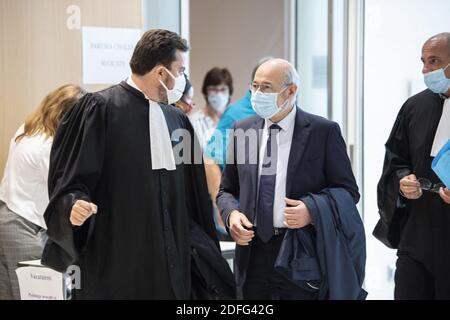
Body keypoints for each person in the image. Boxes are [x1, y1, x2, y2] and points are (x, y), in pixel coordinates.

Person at [41, 29, 219, 299]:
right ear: (161, 73)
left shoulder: (177, 120)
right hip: (119, 264)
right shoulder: (99, 109)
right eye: (180, 70)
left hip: (171, 266)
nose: (183, 78)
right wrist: (74, 204)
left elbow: (191, 200)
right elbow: (70, 181)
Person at [217, 59, 361, 300]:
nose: (258, 94)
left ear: (291, 91)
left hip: (300, 251)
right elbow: (226, 190)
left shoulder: (322, 131)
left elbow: (348, 192)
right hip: (252, 254)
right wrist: (231, 214)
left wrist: (312, 209)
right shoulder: (241, 129)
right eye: (255, 86)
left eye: (267, 87)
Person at [375, 32, 450, 300]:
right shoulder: (414, 106)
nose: (426, 70)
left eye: (434, 61)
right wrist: (403, 179)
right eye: (423, 61)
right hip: (416, 231)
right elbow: (395, 158)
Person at [0, 84, 85, 300]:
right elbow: (62, 193)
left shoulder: (27, 129)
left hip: (9, 217)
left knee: (11, 292)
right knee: (34, 293)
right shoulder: (47, 147)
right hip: (24, 225)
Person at [189, 67, 233, 149]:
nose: (219, 94)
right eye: (213, 89)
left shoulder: (236, 120)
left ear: (229, 92)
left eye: (223, 89)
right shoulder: (194, 122)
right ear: (205, 92)